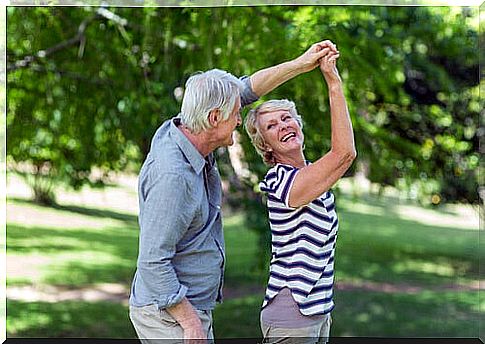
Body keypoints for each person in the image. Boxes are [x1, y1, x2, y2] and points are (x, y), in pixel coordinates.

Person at [128, 40, 337, 343]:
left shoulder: (189, 126)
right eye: (236, 115)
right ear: (214, 118)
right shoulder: (173, 176)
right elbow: (152, 263)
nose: (240, 120)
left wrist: (300, 64)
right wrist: (190, 324)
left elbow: (248, 87)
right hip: (168, 313)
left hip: (190, 306)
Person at [244, 42, 356, 343]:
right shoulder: (279, 181)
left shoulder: (311, 179)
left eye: (286, 118)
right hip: (291, 316)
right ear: (265, 144)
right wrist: (333, 81)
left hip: (319, 312)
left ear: (299, 125)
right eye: (271, 125)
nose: (283, 125)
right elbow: (345, 153)